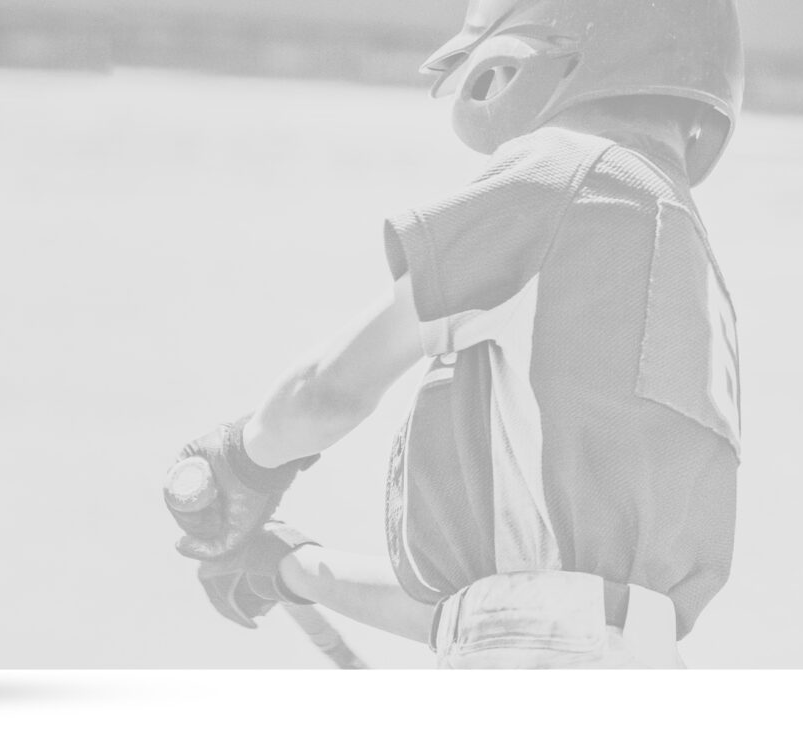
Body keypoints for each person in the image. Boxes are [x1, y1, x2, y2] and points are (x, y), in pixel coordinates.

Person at [165, 0, 745, 669]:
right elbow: (495, 617)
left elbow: (326, 394)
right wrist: (293, 568)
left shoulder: (565, 173)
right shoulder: (682, 256)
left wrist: (241, 462)